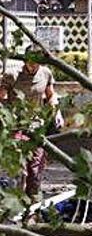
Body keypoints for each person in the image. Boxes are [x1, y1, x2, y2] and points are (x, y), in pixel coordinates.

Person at [0, 46, 63, 201]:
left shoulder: (46, 73)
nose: (33, 65)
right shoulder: (12, 75)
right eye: (31, 61)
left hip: (37, 126)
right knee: (20, 169)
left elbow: (50, 95)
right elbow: (2, 98)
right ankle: (16, 206)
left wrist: (57, 111)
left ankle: (32, 207)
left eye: (37, 62)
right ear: (25, 60)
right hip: (17, 126)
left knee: (36, 168)